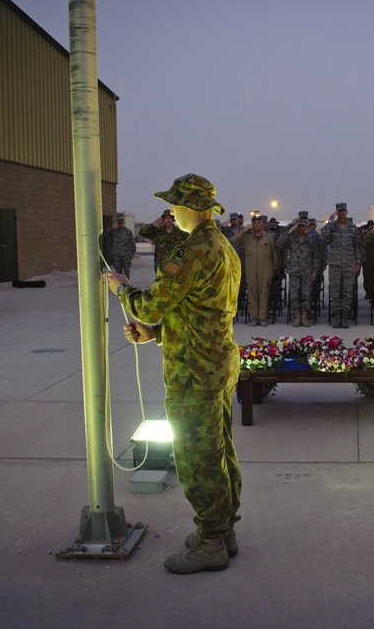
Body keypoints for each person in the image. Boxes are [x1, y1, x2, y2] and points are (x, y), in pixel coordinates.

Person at [104, 173, 242, 575]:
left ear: (187, 208)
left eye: (173, 206)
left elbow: (150, 305)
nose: (171, 213)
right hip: (215, 361)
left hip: (193, 373)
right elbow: (201, 312)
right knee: (219, 451)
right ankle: (222, 530)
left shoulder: (192, 251)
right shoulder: (223, 247)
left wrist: (122, 288)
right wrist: (158, 334)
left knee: (198, 459)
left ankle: (212, 542)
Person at [320, 202, 362, 328]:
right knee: (335, 291)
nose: (342, 212)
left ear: (347, 212)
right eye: (340, 211)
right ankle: (337, 316)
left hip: (349, 264)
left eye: (344, 210)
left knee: (348, 292)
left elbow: (357, 246)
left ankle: (345, 317)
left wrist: (358, 262)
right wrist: (329, 221)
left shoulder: (353, 228)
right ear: (337, 212)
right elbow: (323, 238)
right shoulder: (332, 227)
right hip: (335, 264)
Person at [231, 215, 277, 326]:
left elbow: (273, 254)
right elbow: (233, 240)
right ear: (252, 224)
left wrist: (274, 267)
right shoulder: (247, 237)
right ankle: (254, 317)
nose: (257, 224)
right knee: (252, 293)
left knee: (263, 293)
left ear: (263, 224)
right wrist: (244, 231)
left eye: (259, 222)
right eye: (255, 223)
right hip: (250, 268)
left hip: (265, 268)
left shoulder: (268, 237)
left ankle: (262, 317)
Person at [276, 216, 320, 326]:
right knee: (294, 295)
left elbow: (315, 256)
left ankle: (304, 316)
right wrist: (290, 229)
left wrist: (315, 271)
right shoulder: (291, 238)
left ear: (306, 228)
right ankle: (297, 316)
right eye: (299, 226)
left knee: (306, 295)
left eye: (303, 226)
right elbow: (279, 244)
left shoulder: (311, 240)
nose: (300, 228)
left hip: (307, 271)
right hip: (294, 271)